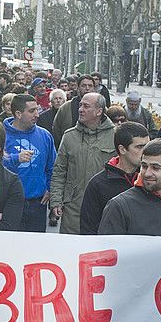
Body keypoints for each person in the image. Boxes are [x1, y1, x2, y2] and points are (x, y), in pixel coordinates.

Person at [51, 92, 117, 234]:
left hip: (105, 207)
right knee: (70, 251)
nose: (80, 109)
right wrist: (56, 201)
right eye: (80, 105)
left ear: (99, 111)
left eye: (86, 106)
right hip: (73, 207)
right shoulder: (69, 136)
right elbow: (59, 171)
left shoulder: (115, 136)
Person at [80, 121, 150, 235]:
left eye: (148, 146)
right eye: (139, 147)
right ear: (122, 149)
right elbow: (88, 229)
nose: (145, 152)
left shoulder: (151, 180)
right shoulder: (98, 184)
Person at [2, 94, 57, 233]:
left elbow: (53, 166)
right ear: (18, 114)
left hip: (37, 203)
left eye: (37, 110)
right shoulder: (1, 135)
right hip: (9, 203)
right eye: (32, 111)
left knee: (36, 250)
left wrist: (50, 189)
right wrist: (15, 158)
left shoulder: (45, 135)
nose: (37, 115)